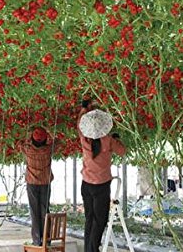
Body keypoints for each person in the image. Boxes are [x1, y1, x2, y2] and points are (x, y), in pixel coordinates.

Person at [78, 99, 126, 252]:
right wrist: (116, 139)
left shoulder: (84, 139)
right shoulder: (109, 140)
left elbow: (80, 123)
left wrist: (84, 108)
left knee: (90, 219)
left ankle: (89, 249)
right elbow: (123, 151)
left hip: (86, 184)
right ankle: (93, 249)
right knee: (100, 220)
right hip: (102, 186)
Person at [20, 126, 63, 246]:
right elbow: (59, 142)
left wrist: (29, 135)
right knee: (45, 210)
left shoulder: (28, 149)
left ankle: (36, 240)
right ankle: (46, 239)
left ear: (32, 140)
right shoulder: (48, 150)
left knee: (34, 211)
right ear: (45, 140)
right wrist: (49, 132)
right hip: (45, 184)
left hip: (32, 184)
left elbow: (20, 142)